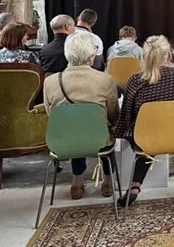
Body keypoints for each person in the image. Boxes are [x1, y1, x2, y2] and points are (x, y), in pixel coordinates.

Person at [113, 35, 174, 206]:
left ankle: (135, 186)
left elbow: (126, 116)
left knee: (149, 135)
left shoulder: (135, 80)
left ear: (145, 56)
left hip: (146, 139)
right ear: (169, 55)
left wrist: (123, 132)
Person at [42, 33, 119, 199]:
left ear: (66, 54)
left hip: (62, 141)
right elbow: (113, 115)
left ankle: (76, 183)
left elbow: (51, 114)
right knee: (103, 132)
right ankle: (108, 181)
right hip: (99, 139)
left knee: (74, 130)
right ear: (91, 57)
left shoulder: (50, 81)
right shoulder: (105, 80)